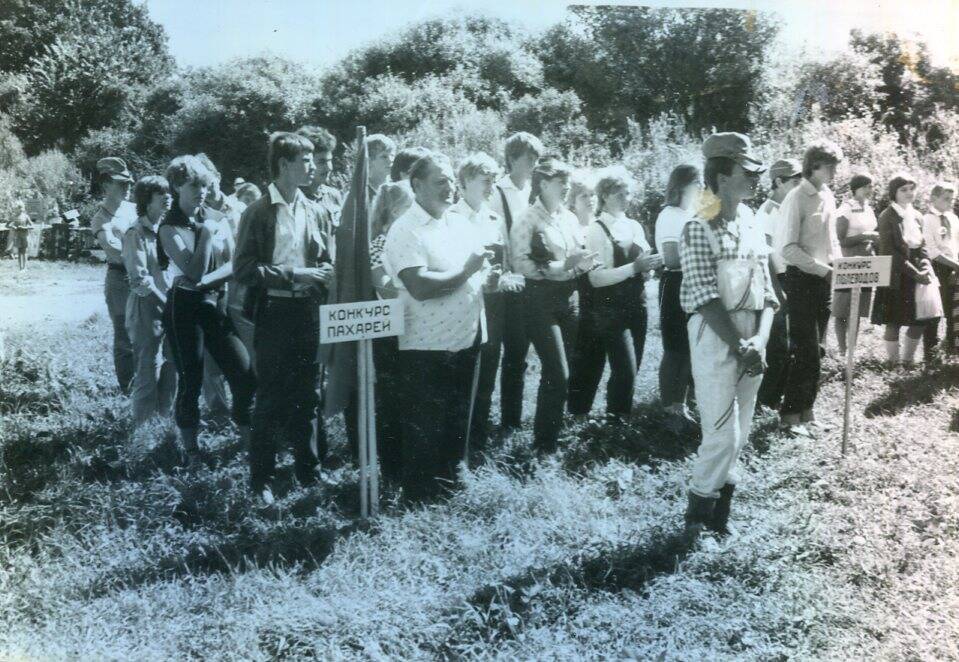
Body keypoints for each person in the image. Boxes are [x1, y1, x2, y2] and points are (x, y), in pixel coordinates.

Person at [680, 132, 777, 536]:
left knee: (742, 429)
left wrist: (759, 341)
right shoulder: (698, 228)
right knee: (722, 433)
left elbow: (769, 293)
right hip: (715, 335)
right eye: (747, 170)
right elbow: (703, 297)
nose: (756, 178)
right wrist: (740, 345)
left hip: (753, 335)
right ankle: (696, 518)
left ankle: (719, 520)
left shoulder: (753, 221)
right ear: (721, 176)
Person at [384, 151, 492, 501]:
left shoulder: (459, 223)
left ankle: (452, 482)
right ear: (417, 186)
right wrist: (467, 273)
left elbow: (475, 269)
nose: (450, 188)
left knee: (458, 418)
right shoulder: (405, 230)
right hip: (426, 344)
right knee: (425, 425)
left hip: (466, 336)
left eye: (450, 180)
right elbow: (419, 286)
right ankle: (418, 497)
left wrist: (486, 277)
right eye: (440, 181)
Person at [234, 132, 334, 504]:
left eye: (312, 159)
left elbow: (325, 258)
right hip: (274, 312)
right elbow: (243, 269)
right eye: (304, 160)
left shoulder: (316, 210)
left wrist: (322, 274)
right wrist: (296, 275)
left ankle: (309, 473)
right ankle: (261, 479)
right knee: (272, 397)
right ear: (283, 165)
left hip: (307, 311)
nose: (312, 167)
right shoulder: (258, 212)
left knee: (308, 395)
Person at [158, 155, 256, 464]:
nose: (201, 191)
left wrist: (206, 282)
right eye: (193, 185)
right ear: (176, 187)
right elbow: (194, 269)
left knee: (244, 375)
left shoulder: (216, 217)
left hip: (215, 302)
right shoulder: (169, 227)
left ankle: (248, 442)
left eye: (205, 184)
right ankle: (191, 450)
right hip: (184, 308)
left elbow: (235, 263)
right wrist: (206, 233)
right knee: (192, 380)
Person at [510, 156, 596, 453]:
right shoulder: (526, 219)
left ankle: (550, 436)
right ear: (543, 184)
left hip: (568, 297)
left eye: (568, 183)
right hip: (539, 299)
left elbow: (575, 256)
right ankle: (543, 446)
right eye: (562, 183)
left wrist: (581, 264)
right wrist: (558, 268)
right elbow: (519, 262)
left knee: (563, 371)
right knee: (557, 372)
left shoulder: (568, 217)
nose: (566, 188)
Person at [447, 152, 523, 454]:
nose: (491, 186)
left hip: (493, 303)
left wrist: (504, 277)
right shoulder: (451, 217)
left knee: (488, 371)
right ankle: (458, 445)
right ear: (464, 182)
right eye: (484, 181)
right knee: (464, 375)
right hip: (461, 304)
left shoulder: (494, 218)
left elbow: (502, 264)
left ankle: (477, 441)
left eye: (493, 180)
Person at [569, 167, 661, 418]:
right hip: (610, 308)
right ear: (606, 195)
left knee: (634, 367)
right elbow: (596, 278)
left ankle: (615, 419)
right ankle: (614, 424)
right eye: (620, 193)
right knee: (625, 369)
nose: (626, 198)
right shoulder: (597, 230)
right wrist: (635, 267)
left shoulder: (634, 226)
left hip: (638, 304)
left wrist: (647, 270)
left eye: (628, 193)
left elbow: (644, 268)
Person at [774, 139, 844, 433]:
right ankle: (789, 416)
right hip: (801, 279)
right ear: (813, 166)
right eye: (830, 167)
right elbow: (787, 249)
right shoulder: (796, 197)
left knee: (818, 348)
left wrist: (840, 266)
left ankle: (807, 411)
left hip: (824, 280)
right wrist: (822, 270)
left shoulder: (828, 195)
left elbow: (832, 240)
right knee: (805, 351)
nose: (834, 173)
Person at [490, 132, 544, 432]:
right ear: (512, 159)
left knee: (529, 354)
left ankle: (521, 416)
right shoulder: (498, 192)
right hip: (512, 284)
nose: (534, 164)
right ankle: (510, 421)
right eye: (528, 158)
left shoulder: (535, 191)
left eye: (537, 158)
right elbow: (496, 241)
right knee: (514, 354)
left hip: (538, 280)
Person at [194, 153, 247, 424]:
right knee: (211, 356)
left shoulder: (236, 209)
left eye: (210, 178)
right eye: (199, 180)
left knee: (243, 353)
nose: (207, 185)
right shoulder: (196, 212)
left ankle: (245, 407)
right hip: (212, 289)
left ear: (217, 177)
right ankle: (218, 411)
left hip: (240, 288)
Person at [369, 182, 414, 483]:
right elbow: (382, 283)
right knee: (391, 399)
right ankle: (392, 470)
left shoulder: (409, 239)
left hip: (413, 325)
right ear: (397, 210)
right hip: (389, 328)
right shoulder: (378, 243)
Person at [122, 175, 177, 427]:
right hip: (148, 308)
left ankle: (163, 417)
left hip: (169, 306)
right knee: (147, 366)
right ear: (146, 201)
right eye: (161, 194)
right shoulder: (136, 233)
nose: (168, 198)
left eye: (169, 193)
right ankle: (142, 427)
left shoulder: (166, 230)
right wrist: (166, 303)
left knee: (172, 361)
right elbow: (140, 280)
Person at [871, 174, 936, 368]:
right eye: (903, 189)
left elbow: (923, 245)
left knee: (920, 319)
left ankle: (907, 360)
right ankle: (893, 363)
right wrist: (915, 273)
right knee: (894, 321)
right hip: (896, 273)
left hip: (917, 271)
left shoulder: (917, 215)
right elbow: (890, 253)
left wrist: (925, 265)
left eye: (911, 188)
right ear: (894, 193)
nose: (909, 193)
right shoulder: (887, 216)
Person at [654, 164, 702, 430]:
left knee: (690, 346)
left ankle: (681, 405)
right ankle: (670, 409)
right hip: (676, 282)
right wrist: (700, 256)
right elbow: (671, 258)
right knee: (675, 348)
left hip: (694, 280)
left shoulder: (692, 213)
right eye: (698, 183)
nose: (702, 189)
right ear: (683, 185)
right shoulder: (670, 215)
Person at [755, 158, 801, 410]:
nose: (799, 186)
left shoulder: (789, 209)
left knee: (792, 343)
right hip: (776, 279)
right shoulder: (767, 212)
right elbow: (764, 256)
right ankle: (766, 400)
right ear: (778, 182)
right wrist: (776, 289)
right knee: (778, 345)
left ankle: (777, 397)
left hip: (792, 277)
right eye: (794, 182)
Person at [91, 157, 138, 392]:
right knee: (124, 336)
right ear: (106, 184)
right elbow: (113, 249)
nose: (127, 187)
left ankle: (147, 382)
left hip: (143, 277)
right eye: (121, 183)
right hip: (120, 279)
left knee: (147, 331)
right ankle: (128, 387)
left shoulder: (134, 209)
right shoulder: (101, 218)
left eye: (129, 182)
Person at [832, 174, 879, 355]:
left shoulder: (868, 208)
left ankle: (852, 347)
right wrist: (866, 236)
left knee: (858, 307)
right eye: (865, 187)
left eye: (871, 186)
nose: (869, 190)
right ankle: (842, 349)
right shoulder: (846, 208)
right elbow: (840, 239)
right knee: (843, 307)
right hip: (849, 258)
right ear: (855, 189)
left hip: (866, 258)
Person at [922, 182, 959, 357]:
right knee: (936, 310)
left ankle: (952, 346)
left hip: (954, 266)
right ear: (933, 198)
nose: (950, 203)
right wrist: (954, 265)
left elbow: (956, 244)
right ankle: (930, 352)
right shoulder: (927, 219)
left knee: (954, 308)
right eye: (946, 199)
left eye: (952, 199)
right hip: (937, 266)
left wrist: (956, 266)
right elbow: (932, 251)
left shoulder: (953, 218)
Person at [296, 125, 343, 241]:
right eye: (321, 162)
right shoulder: (294, 198)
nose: (329, 168)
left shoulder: (333, 196)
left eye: (330, 160)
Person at [366, 134, 396, 202]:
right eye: (384, 156)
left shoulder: (397, 190)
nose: (390, 160)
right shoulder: (360, 194)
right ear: (370, 161)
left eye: (392, 155)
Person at [10, 200, 33, 270]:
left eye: (16, 208)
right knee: (19, 252)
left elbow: (32, 226)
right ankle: (21, 268)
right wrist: (12, 227)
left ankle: (25, 267)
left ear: (21, 208)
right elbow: (8, 225)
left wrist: (24, 227)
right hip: (18, 236)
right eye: (15, 209)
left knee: (24, 251)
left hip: (25, 236)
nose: (15, 210)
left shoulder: (26, 216)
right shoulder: (14, 216)